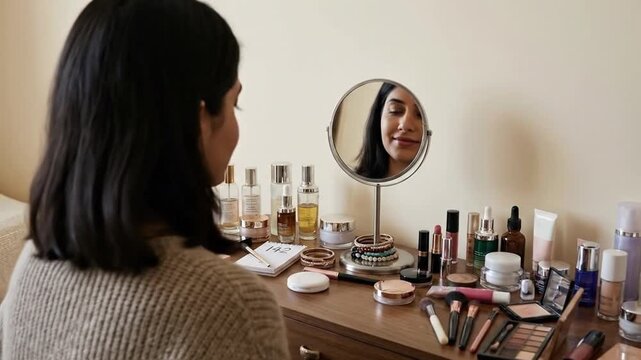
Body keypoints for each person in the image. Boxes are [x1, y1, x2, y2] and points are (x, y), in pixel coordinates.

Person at [0, 1, 288, 359]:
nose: (235, 125)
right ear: (198, 123)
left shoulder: (35, 261)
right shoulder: (231, 308)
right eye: (234, 105)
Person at [355, 82, 423, 179]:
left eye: (420, 115)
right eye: (395, 110)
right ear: (378, 117)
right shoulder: (355, 187)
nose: (405, 125)